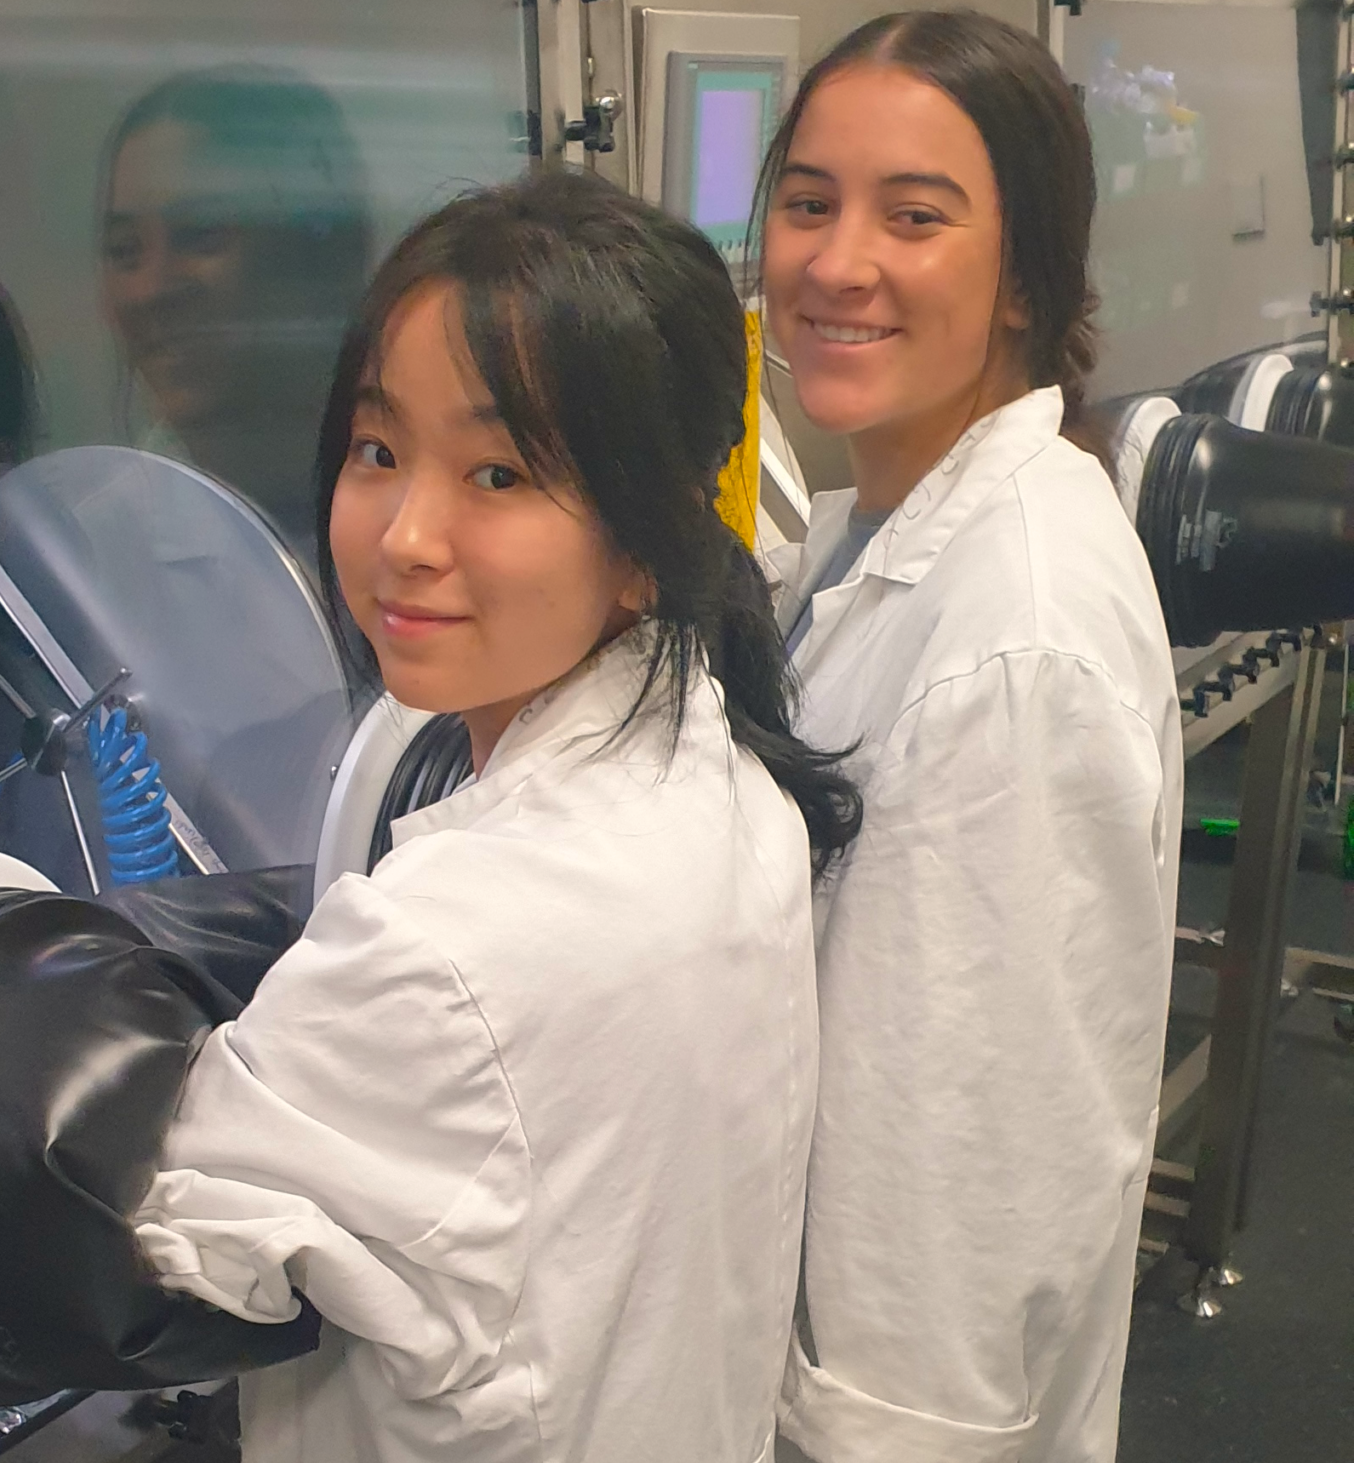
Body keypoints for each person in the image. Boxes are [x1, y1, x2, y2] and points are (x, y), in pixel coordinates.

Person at [129, 168, 860, 1462]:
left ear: (642, 543)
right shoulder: (731, 779)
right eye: (379, 450)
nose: (409, 534)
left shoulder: (443, 950)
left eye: (499, 470)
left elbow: (162, 1240)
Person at [757, 13, 1182, 1463]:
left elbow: (956, 1197)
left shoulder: (1015, 646)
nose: (837, 262)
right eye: (808, 201)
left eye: (915, 216)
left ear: (1024, 282)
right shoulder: (875, 525)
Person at [98, 66, 372, 560]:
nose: (151, 290)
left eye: (200, 235)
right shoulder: (93, 551)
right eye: (125, 250)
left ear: (316, 254)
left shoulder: (420, 517)